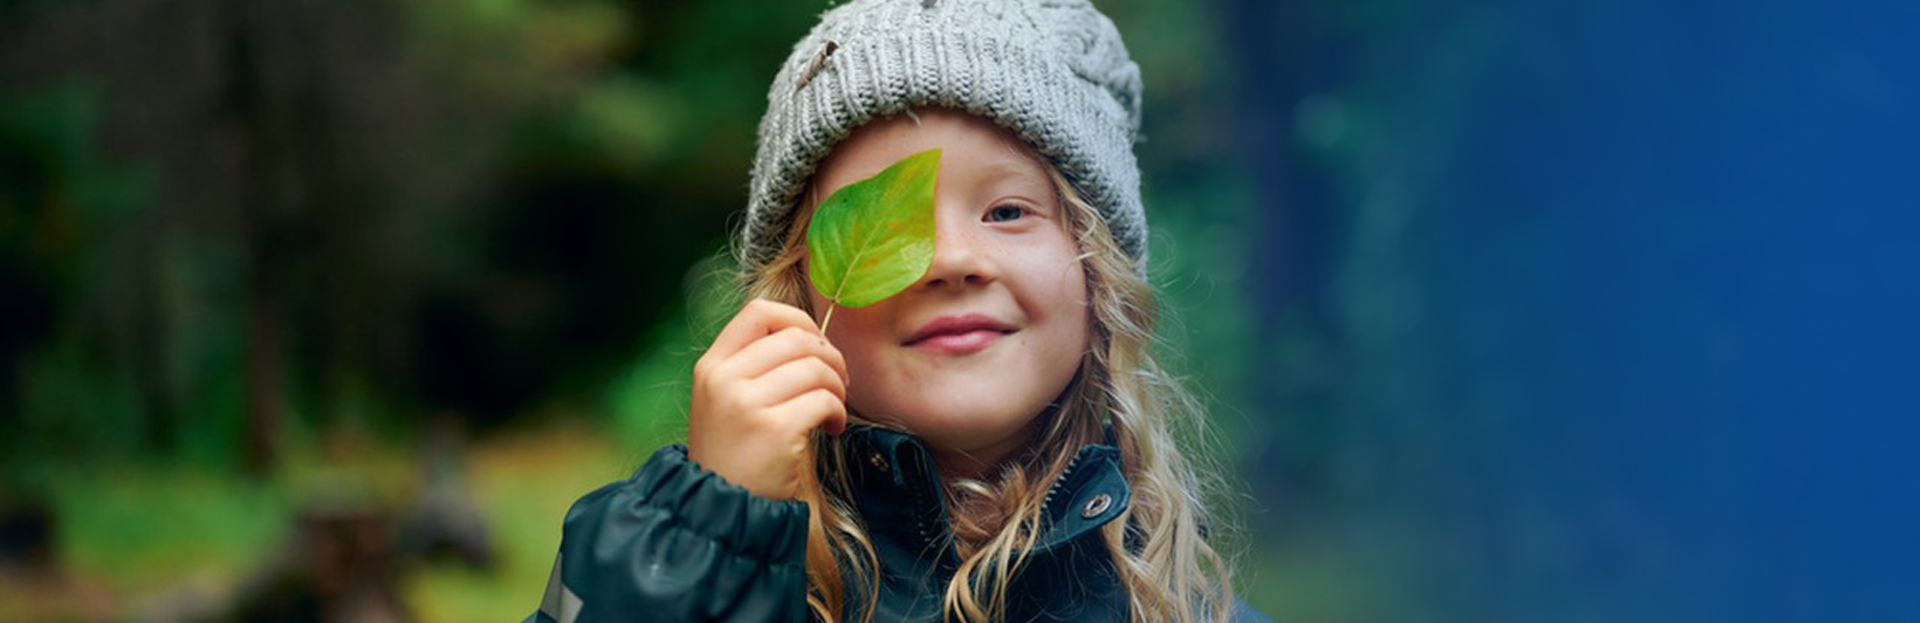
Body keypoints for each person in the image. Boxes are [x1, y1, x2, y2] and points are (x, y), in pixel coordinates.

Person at [525, 0, 1273, 621]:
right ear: (800, 288)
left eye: (1008, 211)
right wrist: (711, 534)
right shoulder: (648, 552)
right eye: (886, 222)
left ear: (1098, 280)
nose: (949, 260)